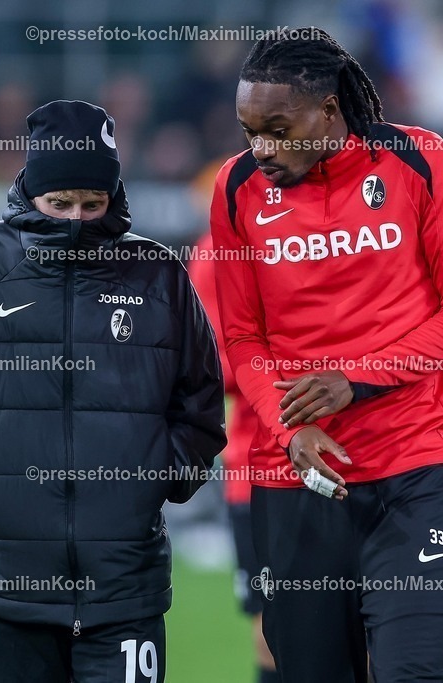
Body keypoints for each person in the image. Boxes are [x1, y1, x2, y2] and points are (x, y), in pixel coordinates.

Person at [0, 100, 226, 683]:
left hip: (125, 576)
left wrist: (157, 479)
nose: (76, 219)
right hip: (8, 572)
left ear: (113, 197)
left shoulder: (158, 273)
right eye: (59, 204)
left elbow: (200, 403)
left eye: (93, 205)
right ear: (29, 190)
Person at [210, 28, 443, 683]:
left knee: (411, 673)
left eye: (279, 129)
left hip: (410, 473)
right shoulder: (236, 188)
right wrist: (289, 426)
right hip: (296, 484)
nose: (261, 147)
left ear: (330, 110)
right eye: (249, 129)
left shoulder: (419, 160)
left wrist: (355, 380)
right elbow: (244, 339)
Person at [188, 229, 279, 683]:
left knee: (363, 624)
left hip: (359, 462)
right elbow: (202, 364)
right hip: (260, 470)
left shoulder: (352, 225)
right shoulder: (220, 250)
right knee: (271, 627)